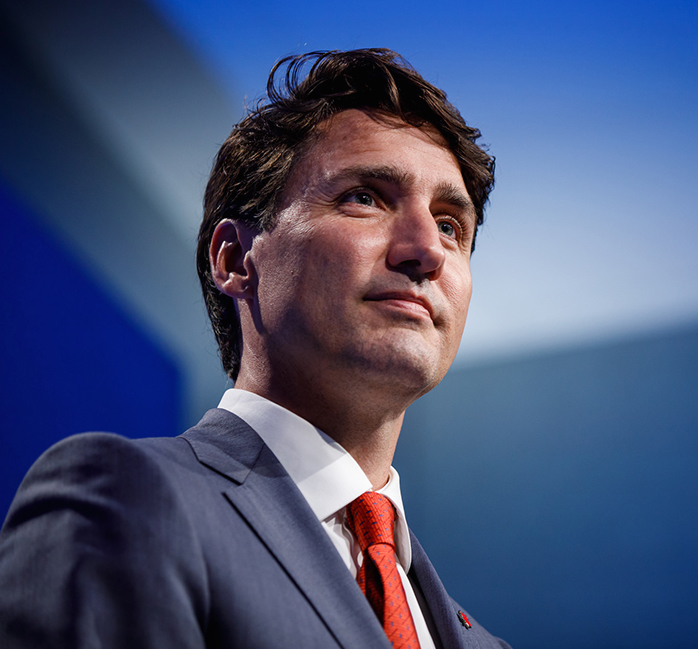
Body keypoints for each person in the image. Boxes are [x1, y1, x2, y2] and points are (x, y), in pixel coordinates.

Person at [0, 49, 509, 649]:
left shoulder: (482, 643)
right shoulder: (125, 499)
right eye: (365, 197)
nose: (426, 248)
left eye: (452, 225)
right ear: (236, 260)